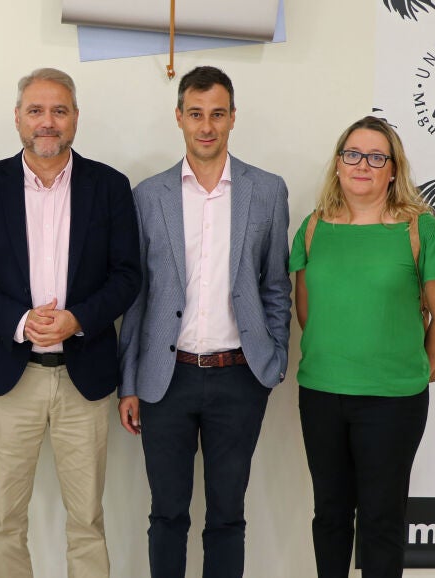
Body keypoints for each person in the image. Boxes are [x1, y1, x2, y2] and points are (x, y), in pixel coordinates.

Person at [0, 68, 141, 578]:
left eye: (59, 111)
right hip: (10, 378)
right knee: (6, 520)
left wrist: (77, 319)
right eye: (36, 110)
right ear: (18, 117)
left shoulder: (110, 186)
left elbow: (128, 275)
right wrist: (19, 321)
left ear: (75, 117)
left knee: (88, 520)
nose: (47, 122)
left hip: (84, 378)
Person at [117, 65, 292, 578]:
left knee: (227, 517)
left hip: (239, 376)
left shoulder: (267, 190)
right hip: (165, 380)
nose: (207, 126)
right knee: (167, 515)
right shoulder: (149, 196)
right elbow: (138, 298)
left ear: (233, 117)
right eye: (196, 114)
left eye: (217, 114)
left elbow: (275, 284)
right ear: (179, 117)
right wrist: (130, 382)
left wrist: (273, 358)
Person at [289, 116, 435, 577]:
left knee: (381, 520)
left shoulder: (420, 231)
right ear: (338, 163)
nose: (362, 164)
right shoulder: (313, 228)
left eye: (376, 157)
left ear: (393, 170)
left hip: (393, 401)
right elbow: (307, 312)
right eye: (353, 154)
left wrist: (421, 365)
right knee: (329, 515)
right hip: (322, 394)